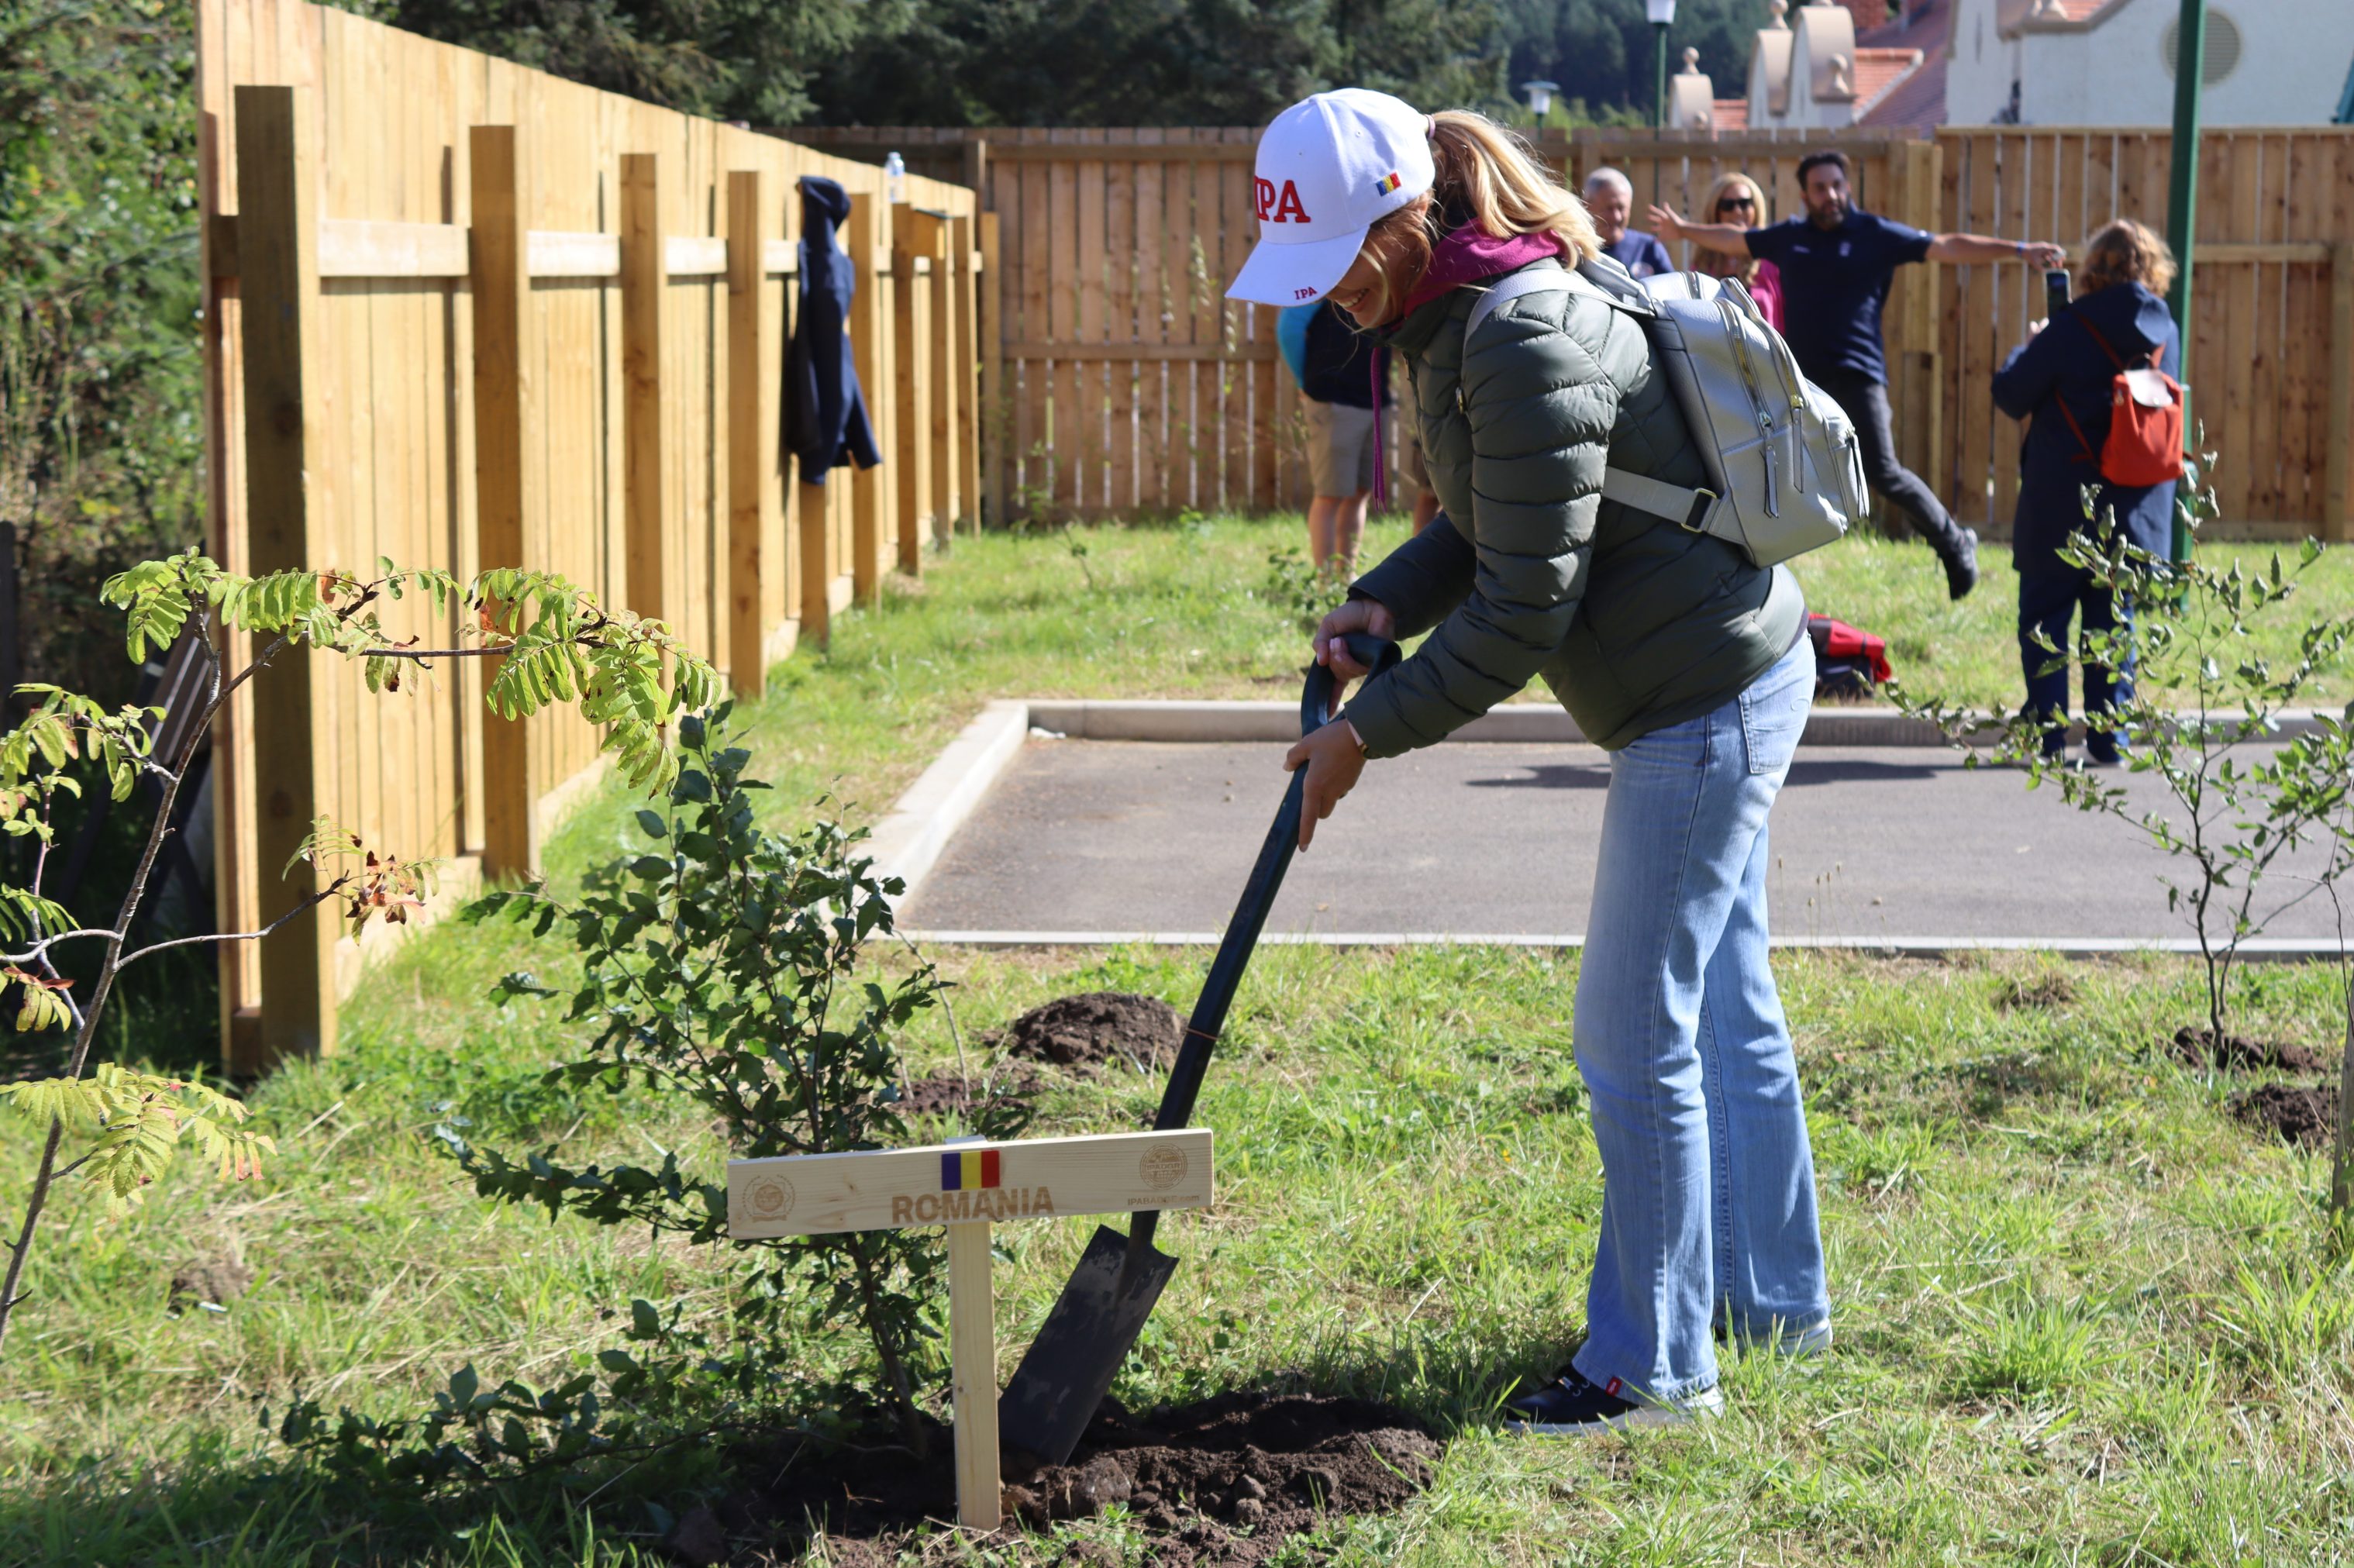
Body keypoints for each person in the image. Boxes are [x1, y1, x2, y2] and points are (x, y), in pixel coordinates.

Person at [1227, 88, 1828, 1435]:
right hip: (1700, 676)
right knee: (1721, 1005)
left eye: (1328, 260)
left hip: (1702, 694)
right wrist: (1381, 596)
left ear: (1396, 217)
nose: (1319, 297)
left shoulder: (1515, 328)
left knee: (1631, 1035)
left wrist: (1359, 738)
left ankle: (1654, 1369)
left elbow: (1523, 606)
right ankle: (1775, 1303)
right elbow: (1495, 526)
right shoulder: (1444, 319)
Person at [1649, 149, 2068, 601]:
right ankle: (1760, 574)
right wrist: (1684, 230)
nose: (1830, 195)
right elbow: (1735, 241)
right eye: (1819, 188)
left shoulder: (1875, 234)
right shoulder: (1790, 236)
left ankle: (1953, 541)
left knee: (1883, 472)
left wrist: (2020, 250)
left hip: (1860, 372)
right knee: (1785, 470)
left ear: (1847, 188)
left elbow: (1946, 246)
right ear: (1806, 195)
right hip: (1803, 380)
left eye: (1836, 185)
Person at [1990, 218, 2181, 765]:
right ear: (2151, 270)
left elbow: (2010, 394)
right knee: (2112, 624)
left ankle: (2047, 740)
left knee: (2045, 620)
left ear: (2091, 269)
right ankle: (2108, 740)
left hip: (2059, 501)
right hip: (2133, 506)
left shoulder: (2067, 326)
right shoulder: (2165, 332)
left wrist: (2025, 347)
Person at [1288, 298, 1387, 574]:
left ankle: (1347, 575)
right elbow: (1290, 329)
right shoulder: (1319, 278)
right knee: (1330, 495)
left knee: (1359, 492)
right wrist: (1305, 380)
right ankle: (1326, 583)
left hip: (1375, 398)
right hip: (1332, 399)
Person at [1688, 171, 1782, 332]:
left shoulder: (1770, 262)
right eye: (1728, 205)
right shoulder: (1702, 263)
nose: (1738, 211)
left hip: (1763, 352)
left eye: (1745, 203)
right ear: (1716, 212)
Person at [1583, 167, 1671, 280]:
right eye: (1609, 208)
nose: (1617, 217)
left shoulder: (1648, 248)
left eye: (1621, 208)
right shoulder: (1577, 250)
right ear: (1587, 206)